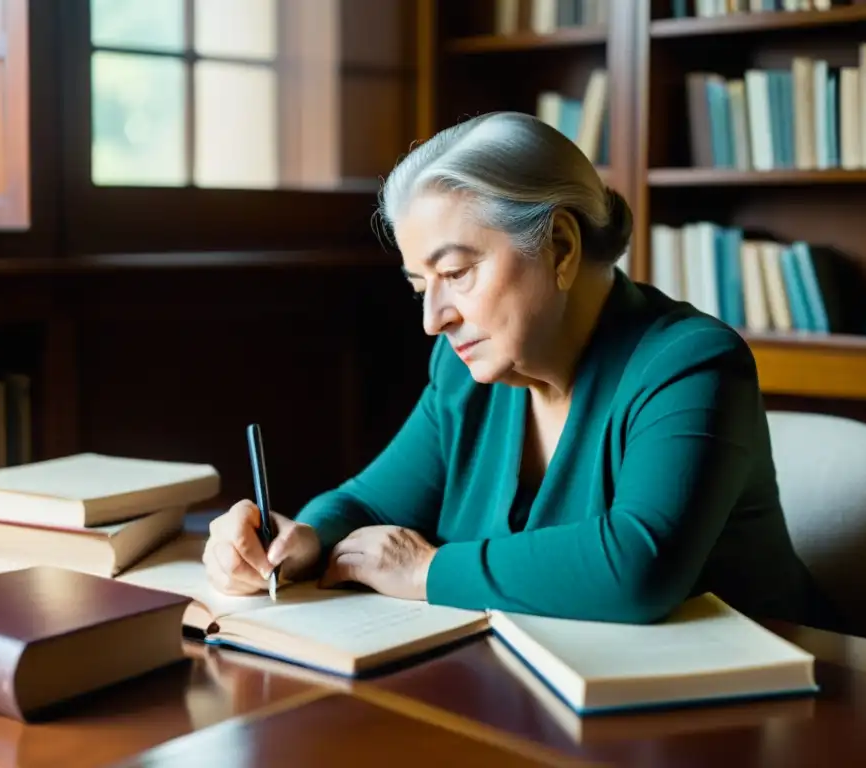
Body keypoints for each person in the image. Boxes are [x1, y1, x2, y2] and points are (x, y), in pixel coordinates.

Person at [203, 110, 830, 626]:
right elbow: (366, 503)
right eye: (421, 283)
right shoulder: (466, 374)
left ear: (559, 246)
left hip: (752, 717)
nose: (434, 318)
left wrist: (427, 572)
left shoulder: (690, 363)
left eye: (455, 273)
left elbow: (639, 568)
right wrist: (298, 542)